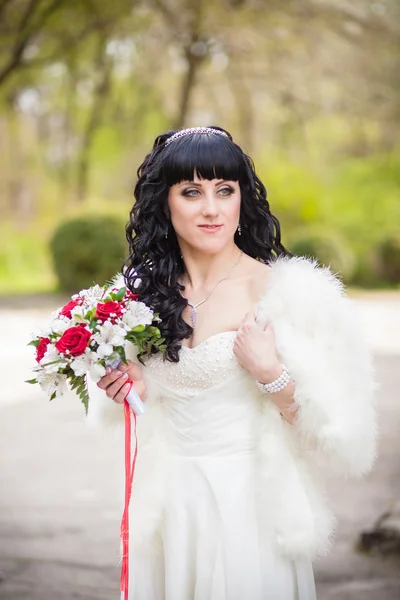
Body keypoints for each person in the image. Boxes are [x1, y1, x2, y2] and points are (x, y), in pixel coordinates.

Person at [88, 126, 377, 600]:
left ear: (243, 197)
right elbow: (148, 408)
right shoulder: (140, 297)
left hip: (251, 505)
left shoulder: (288, 294)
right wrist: (137, 392)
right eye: (192, 192)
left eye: (225, 190)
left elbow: (340, 437)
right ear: (165, 203)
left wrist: (271, 375)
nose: (211, 208)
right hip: (167, 506)